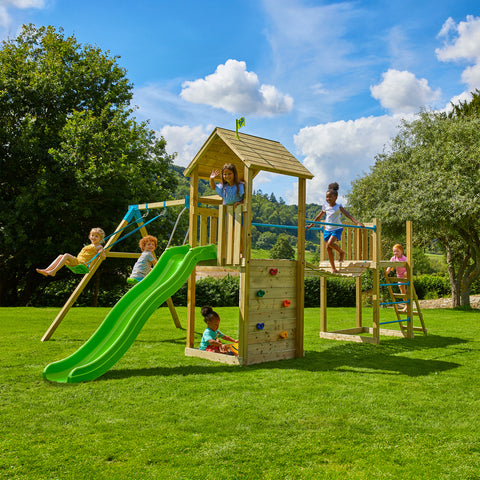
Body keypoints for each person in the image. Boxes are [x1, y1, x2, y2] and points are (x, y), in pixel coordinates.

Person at [307, 182, 364, 273]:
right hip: (327, 229)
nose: (328, 199)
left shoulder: (338, 207)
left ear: (335, 197)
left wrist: (357, 223)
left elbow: (347, 215)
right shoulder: (325, 207)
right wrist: (311, 226)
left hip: (337, 229)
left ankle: (341, 252)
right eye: (327, 197)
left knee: (330, 243)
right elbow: (318, 217)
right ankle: (333, 268)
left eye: (330, 197)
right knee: (328, 248)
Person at [36, 227, 106, 277]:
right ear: (89, 236)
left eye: (96, 236)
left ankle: (53, 271)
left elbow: (103, 256)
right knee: (61, 256)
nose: (93, 237)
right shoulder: (90, 245)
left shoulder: (99, 246)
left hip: (83, 264)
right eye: (92, 235)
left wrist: (101, 252)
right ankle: (47, 270)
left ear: (101, 239)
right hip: (78, 262)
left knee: (66, 255)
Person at [386, 244, 408, 312]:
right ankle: (406, 305)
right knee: (402, 291)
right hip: (399, 275)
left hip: (405, 274)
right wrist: (387, 271)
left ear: (401, 251)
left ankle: (407, 305)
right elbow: (390, 266)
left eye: (397, 251)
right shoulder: (393, 258)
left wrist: (407, 272)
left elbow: (408, 266)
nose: (395, 253)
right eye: (394, 251)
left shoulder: (404, 258)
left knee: (405, 289)